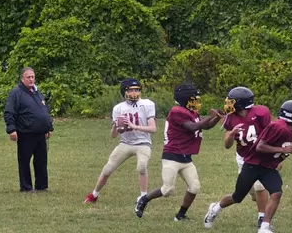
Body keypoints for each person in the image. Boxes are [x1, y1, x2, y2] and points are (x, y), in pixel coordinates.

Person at [203, 100, 292, 233]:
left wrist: (279, 159)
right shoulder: (278, 126)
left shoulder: (287, 129)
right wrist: (281, 150)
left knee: (276, 192)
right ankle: (215, 209)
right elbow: (260, 147)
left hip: (267, 167)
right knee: (237, 197)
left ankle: (264, 227)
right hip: (252, 165)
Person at [135, 84, 223, 221]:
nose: (197, 102)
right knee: (167, 189)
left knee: (194, 187)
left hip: (186, 157)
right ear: (185, 99)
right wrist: (209, 116)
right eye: (194, 99)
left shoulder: (192, 112)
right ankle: (144, 199)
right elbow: (193, 127)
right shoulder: (176, 111)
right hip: (172, 155)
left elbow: (204, 126)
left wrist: (217, 117)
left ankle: (180, 215)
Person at [84, 78, 156, 204]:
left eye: (137, 90)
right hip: (125, 143)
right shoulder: (119, 108)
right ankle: (94, 194)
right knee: (107, 169)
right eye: (131, 90)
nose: (135, 93)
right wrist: (115, 125)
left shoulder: (147, 104)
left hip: (143, 143)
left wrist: (134, 126)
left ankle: (143, 197)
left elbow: (153, 128)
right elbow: (113, 135)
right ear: (125, 91)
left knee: (142, 166)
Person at [221, 87, 272, 227]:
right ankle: (216, 207)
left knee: (260, 186)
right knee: (251, 194)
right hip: (243, 158)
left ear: (241, 103)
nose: (228, 104)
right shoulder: (230, 117)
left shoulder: (261, 113)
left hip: (260, 156)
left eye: (231, 101)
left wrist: (275, 156)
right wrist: (231, 134)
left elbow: (270, 134)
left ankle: (262, 219)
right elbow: (226, 145)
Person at [4, 67, 53, 192]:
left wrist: (49, 127)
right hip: (26, 133)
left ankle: (41, 186)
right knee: (25, 161)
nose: (31, 79)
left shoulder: (37, 92)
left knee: (41, 161)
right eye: (28, 77)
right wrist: (11, 129)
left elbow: (44, 111)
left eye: (33, 77)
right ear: (22, 78)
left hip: (40, 133)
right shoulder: (16, 93)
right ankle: (26, 187)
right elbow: (9, 112)